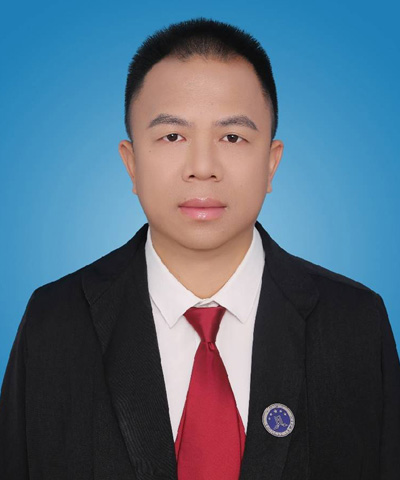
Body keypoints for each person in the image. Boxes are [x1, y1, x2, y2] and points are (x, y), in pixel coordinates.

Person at [0, 17, 399, 480]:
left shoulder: (354, 322)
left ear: (271, 163)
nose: (203, 167)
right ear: (131, 163)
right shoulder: (55, 321)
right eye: (173, 136)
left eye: (232, 137)